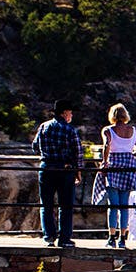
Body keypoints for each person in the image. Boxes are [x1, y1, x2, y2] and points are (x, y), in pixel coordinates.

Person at [32, 100, 83, 247]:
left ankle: (49, 237)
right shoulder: (70, 130)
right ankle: (64, 239)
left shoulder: (44, 126)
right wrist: (78, 171)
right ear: (64, 113)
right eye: (70, 112)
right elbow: (78, 152)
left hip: (46, 168)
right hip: (64, 169)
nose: (71, 115)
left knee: (46, 204)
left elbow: (35, 147)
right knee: (65, 206)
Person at [96, 103, 136, 249]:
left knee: (113, 205)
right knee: (124, 206)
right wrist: (129, 155)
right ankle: (123, 238)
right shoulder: (134, 130)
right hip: (129, 168)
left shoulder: (108, 130)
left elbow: (107, 145)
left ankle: (111, 238)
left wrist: (105, 162)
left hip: (114, 167)